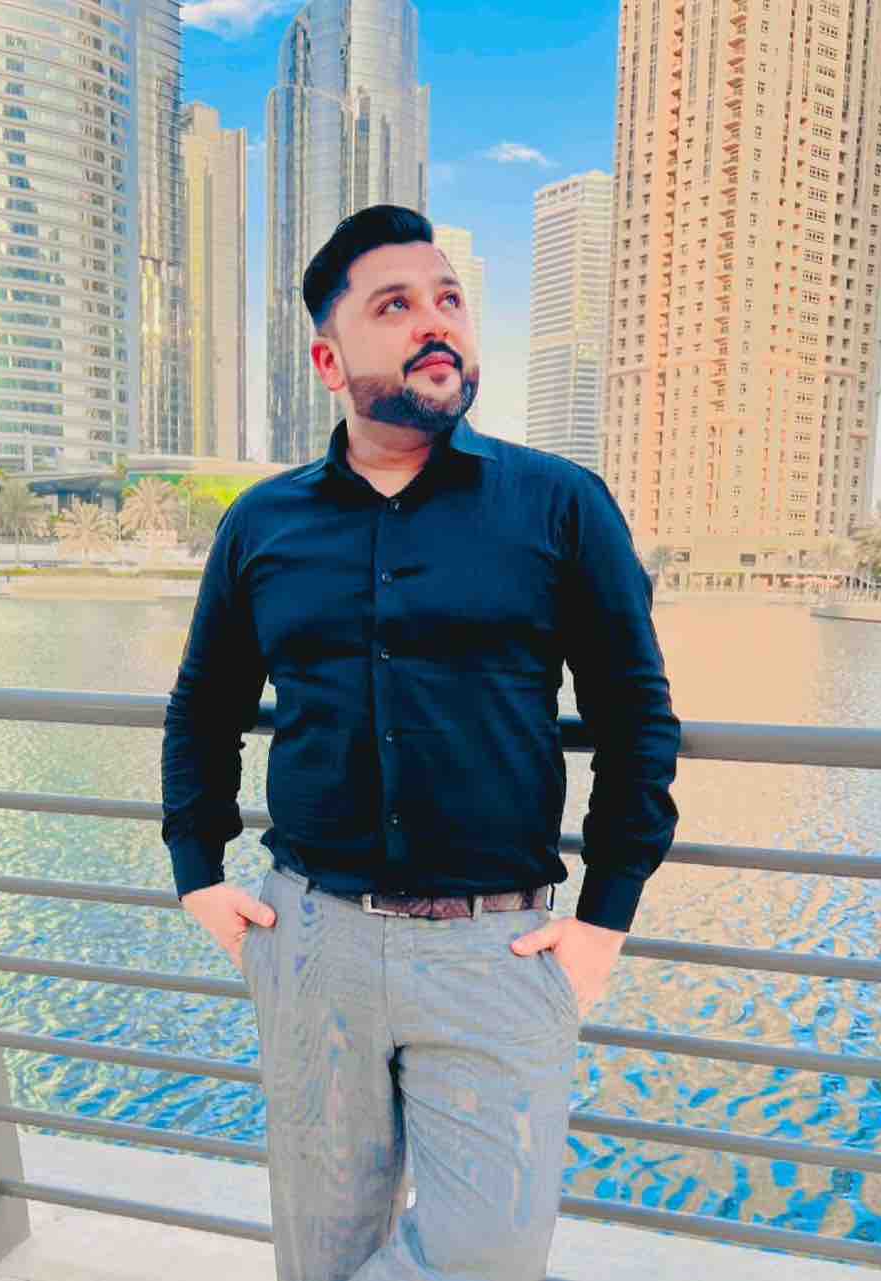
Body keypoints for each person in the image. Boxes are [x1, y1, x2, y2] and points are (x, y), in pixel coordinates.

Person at [162, 204, 680, 1280]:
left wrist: (604, 921)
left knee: (491, 1253)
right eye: (394, 306)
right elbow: (205, 703)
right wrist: (196, 870)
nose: (434, 322)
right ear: (329, 358)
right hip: (311, 937)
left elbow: (634, 716)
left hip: (497, 948)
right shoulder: (263, 523)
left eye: (448, 299)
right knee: (323, 1248)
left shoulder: (560, 505)